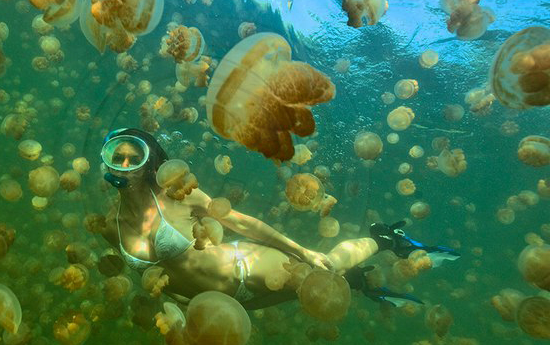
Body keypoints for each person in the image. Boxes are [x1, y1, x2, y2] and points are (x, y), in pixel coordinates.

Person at [98, 128, 457, 310]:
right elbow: (155, 276)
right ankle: (362, 279)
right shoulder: (111, 225)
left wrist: (300, 249)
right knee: (317, 293)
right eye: (119, 156)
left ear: (151, 162)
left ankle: (384, 238)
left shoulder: (178, 196)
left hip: (246, 269)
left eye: (135, 156)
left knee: (324, 267)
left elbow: (243, 223)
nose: (126, 164)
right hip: (229, 304)